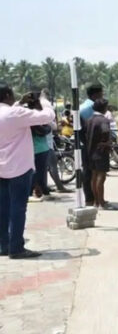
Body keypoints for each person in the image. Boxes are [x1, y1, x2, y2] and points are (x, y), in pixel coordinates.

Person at [0, 83, 56, 258]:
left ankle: (4, 245)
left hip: (1, 168)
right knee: (18, 207)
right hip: (19, 167)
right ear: (8, 94)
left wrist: (19, 102)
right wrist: (44, 100)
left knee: (3, 207)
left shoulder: (11, 112)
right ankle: (17, 248)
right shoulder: (15, 114)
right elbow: (47, 117)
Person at [86, 99, 114, 210]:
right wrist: (108, 143)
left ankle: (96, 201)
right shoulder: (103, 120)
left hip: (91, 151)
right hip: (101, 152)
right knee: (101, 177)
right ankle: (102, 202)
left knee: (94, 176)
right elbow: (105, 133)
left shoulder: (89, 120)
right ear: (103, 108)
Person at [79, 84, 103, 207]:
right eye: (101, 94)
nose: (102, 96)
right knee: (92, 172)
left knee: (89, 171)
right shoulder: (90, 108)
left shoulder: (82, 107)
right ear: (95, 95)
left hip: (85, 144)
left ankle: (92, 197)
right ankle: (92, 198)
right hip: (91, 145)